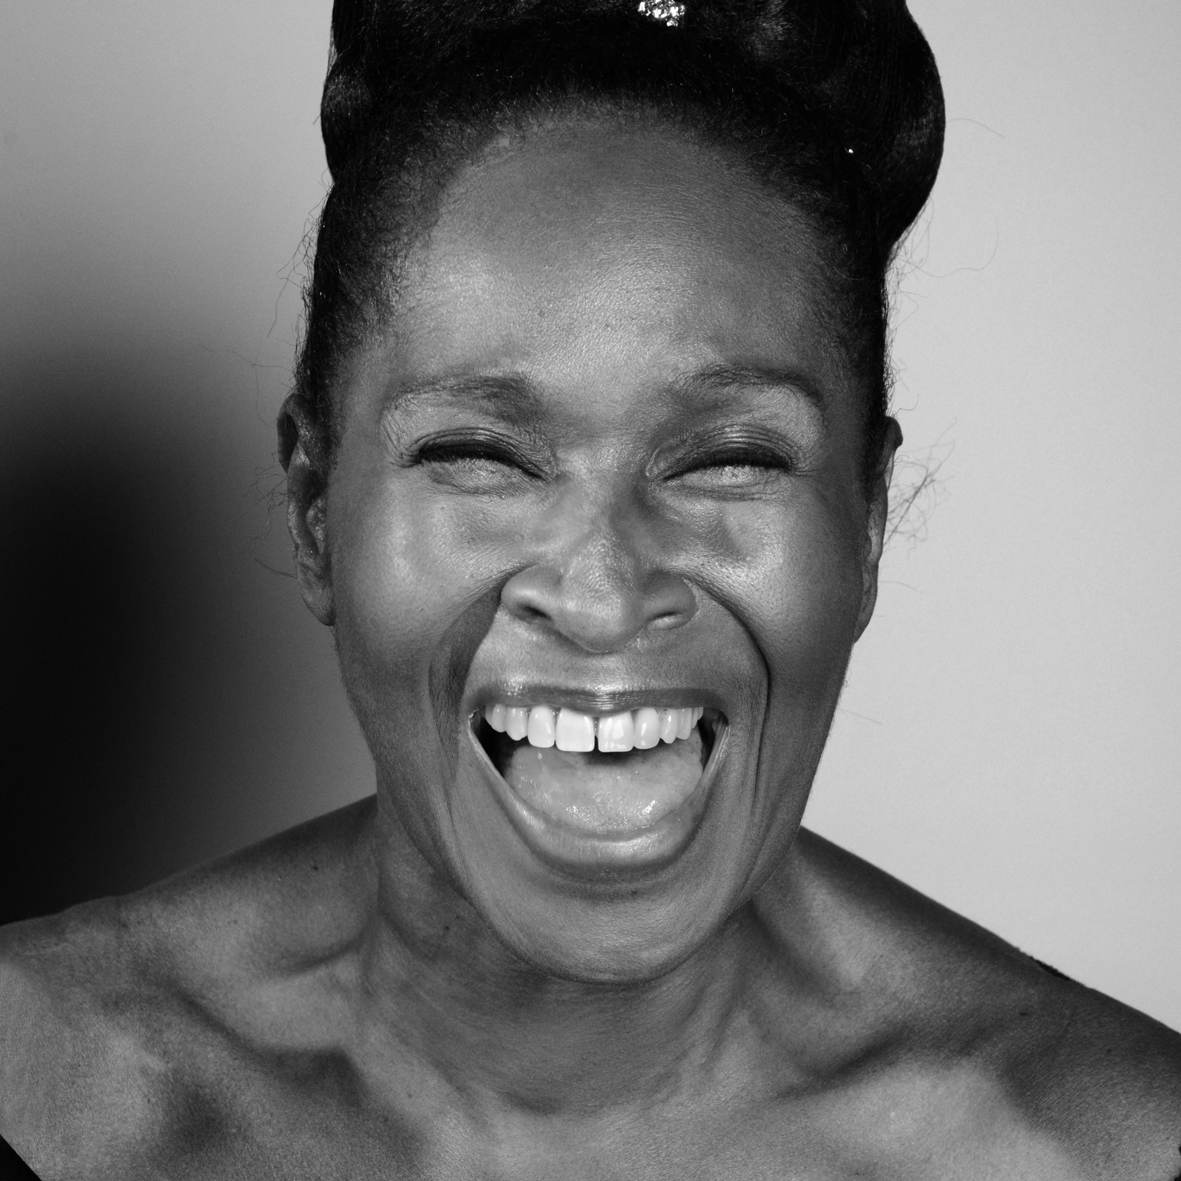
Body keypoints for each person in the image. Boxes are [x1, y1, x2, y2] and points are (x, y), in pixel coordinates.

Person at [1, 0, 1179, 1176]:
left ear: (863, 521)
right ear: (317, 510)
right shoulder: (38, 1079)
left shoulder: (1106, 1144)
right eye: (481, 456)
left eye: (729, 458)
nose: (604, 597)